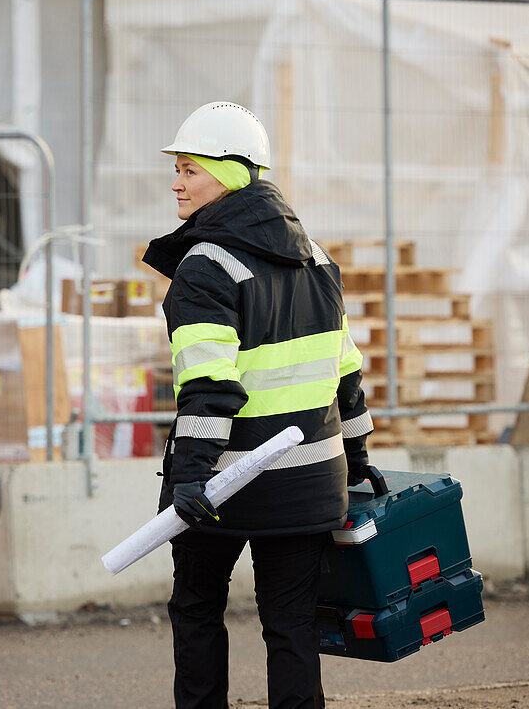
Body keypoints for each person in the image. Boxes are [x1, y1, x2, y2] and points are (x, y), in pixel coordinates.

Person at [142, 102, 373, 709]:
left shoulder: (205, 267)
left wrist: (190, 475)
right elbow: (344, 370)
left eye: (190, 169)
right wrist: (357, 451)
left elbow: (209, 387)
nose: (176, 182)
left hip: (224, 487)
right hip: (310, 483)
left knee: (196, 611)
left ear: (233, 174)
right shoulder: (317, 257)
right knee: (290, 626)